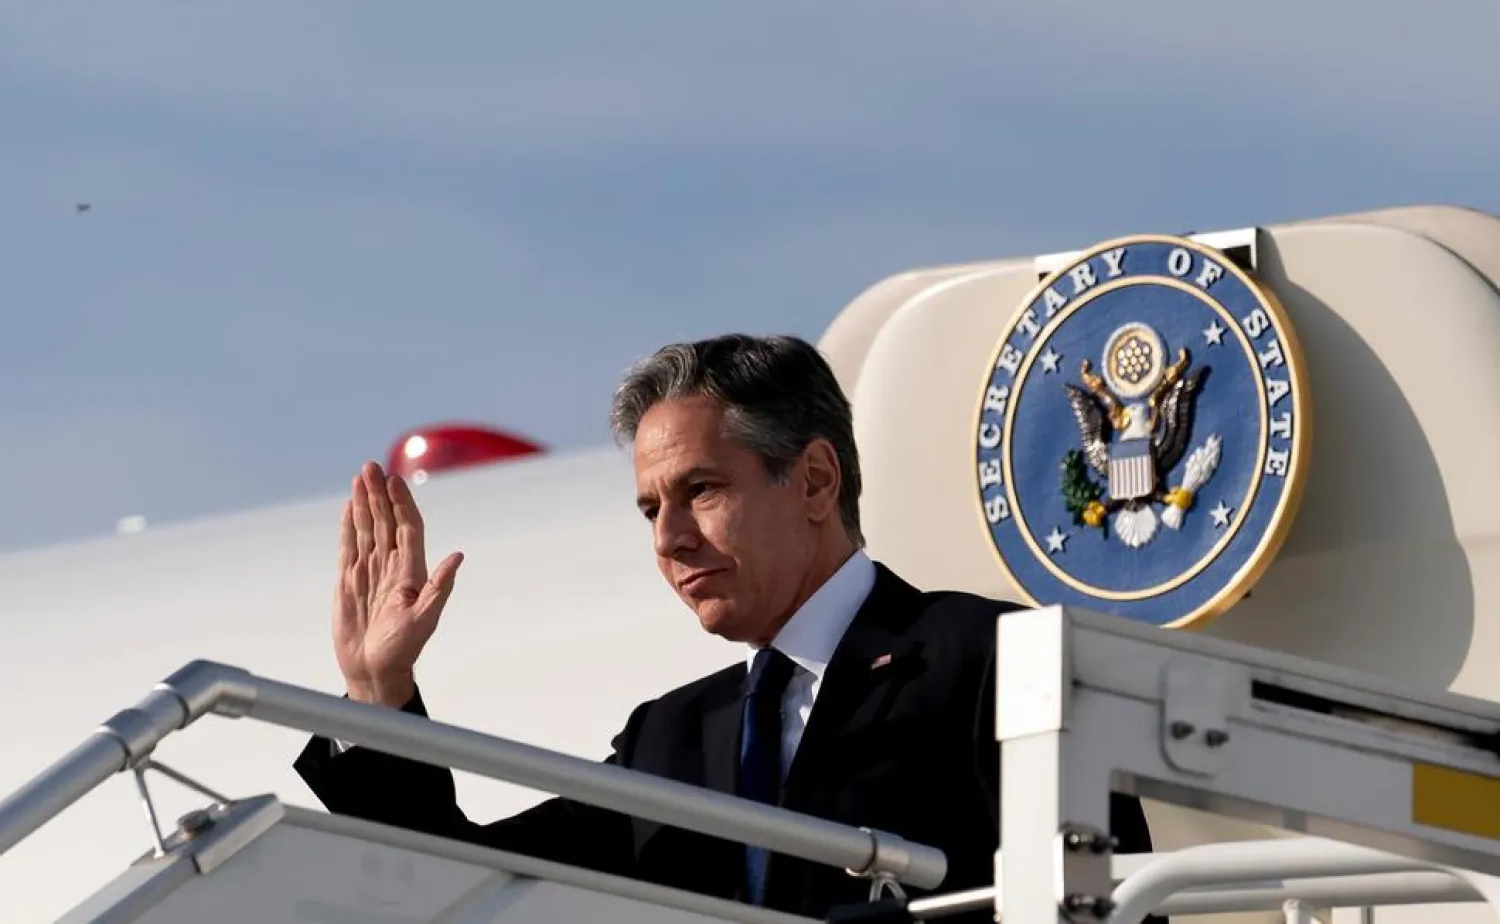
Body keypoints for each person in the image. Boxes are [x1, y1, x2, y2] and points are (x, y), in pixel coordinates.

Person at [293, 333, 1154, 919]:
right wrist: (379, 692)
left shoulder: (995, 661)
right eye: (649, 509)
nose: (669, 538)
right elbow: (476, 882)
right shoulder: (670, 735)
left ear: (815, 481)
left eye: (700, 491)